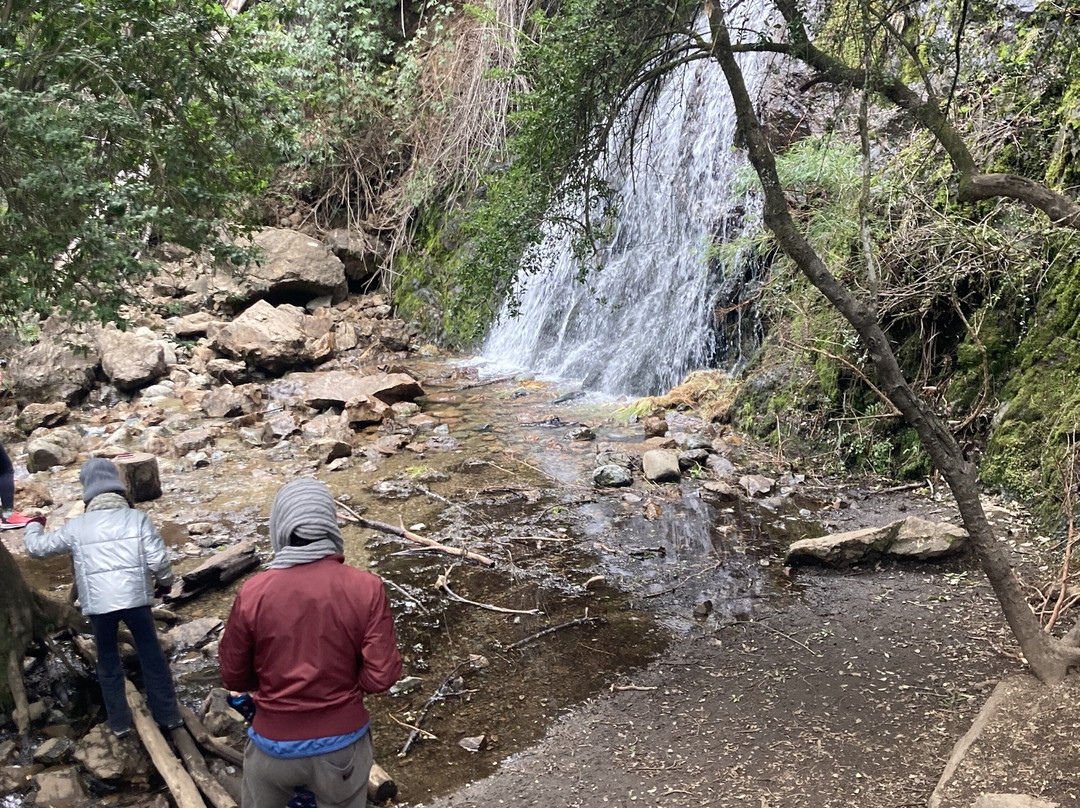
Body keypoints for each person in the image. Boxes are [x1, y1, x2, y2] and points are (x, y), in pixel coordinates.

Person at [218, 478, 402, 808]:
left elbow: (233, 676)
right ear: (329, 524)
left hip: (272, 748)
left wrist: (270, 684)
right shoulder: (366, 587)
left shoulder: (253, 592)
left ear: (280, 526)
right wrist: (345, 688)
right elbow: (381, 677)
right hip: (342, 749)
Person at [24, 457, 182, 737]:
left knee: (107, 662)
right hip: (137, 602)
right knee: (152, 657)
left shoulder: (77, 526)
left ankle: (119, 724)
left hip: (99, 607)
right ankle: (168, 717)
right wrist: (165, 584)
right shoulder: (138, 519)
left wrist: (34, 524)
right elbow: (159, 561)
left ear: (87, 489)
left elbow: (37, 549)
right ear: (117, 485)